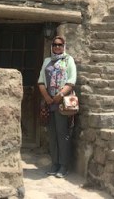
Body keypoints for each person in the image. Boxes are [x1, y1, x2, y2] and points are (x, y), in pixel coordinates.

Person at [37, 35, 77, 179]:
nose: (57, 47)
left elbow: (72, 80)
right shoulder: (47, 61)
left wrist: (59, 95)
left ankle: (63, 165)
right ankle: (54, 163)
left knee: (62, 134)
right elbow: (41, 81)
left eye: (60, 45)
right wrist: (47, 97)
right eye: (55, 45)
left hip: (62, 103)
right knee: (52, 134)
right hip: (49, 103)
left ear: (64, 46)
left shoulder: (68, 60)